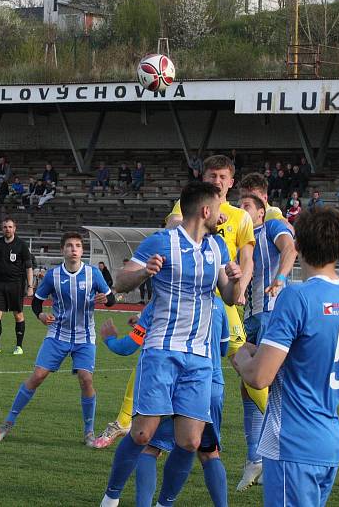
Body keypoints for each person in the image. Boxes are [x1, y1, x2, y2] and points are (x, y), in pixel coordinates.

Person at [232, 206, 339, 507]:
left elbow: (258, 377)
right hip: (329, 441)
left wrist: (239, 355)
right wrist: (315, 356)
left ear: (299, 246)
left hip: (291, 441)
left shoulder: (296, 296)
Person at [99, 181, 241, 507]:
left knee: (190, 442)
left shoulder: (218, 247)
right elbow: (120, 282)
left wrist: (234, 280)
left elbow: (231, 298)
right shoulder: (161, 242)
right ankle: (111, 497)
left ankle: (164, 503)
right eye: (218, 208)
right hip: (162, 350)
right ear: (205, 210)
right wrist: (144, 273)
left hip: (200, 358)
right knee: (142, 434)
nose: (221, 215)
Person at [102, 297, 231, 507]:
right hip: (211, 383)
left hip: (171, 379)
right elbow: (224, 349)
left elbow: (128, 346)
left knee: (150, 447)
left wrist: (110, 339)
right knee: (206, 452)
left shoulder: (164, 301)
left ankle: (119, 499)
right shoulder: (216, 304)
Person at [0, 232, 116, 446]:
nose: (74, 249)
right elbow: (37, 303)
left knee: (86, 379)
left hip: (85, 337)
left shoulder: (93, 274)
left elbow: (112, 299)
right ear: (63, 250)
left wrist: (106, 299)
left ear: (82, 251)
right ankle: (8, 423)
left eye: (77, 245)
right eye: (69, 245)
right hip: (58, 334)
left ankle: (89, 432)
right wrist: (40, 316)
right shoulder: (53, 275)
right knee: (37, 376)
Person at [237, 194, 297, 491]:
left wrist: (282, 279)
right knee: (248, 387)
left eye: (247, 206)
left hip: (270, 314)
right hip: (251, 316)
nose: (241, 209)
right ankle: (256, 458)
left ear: (261, 212)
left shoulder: (271, 227)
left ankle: (268, 457)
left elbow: (290, 248)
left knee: (263, 384)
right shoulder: (241, 237)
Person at [0, 218, 34, 355]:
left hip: (16, 284)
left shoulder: (21, 245)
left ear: (14, 228)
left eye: (10, 227)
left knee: (18, 315)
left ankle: (19, 346)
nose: (8, 229)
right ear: (2, 229)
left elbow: (29, 267)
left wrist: (30, 286)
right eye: (5, 227)